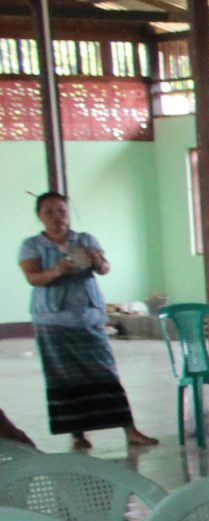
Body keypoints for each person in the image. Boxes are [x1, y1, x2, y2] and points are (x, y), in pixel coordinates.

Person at [19, 192, 153, 452]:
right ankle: (78, 434)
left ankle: (130, 430)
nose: (57, 217)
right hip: (53, 321)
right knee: (64, 378)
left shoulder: (84, 240)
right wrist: (56, 271)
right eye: (49, 212)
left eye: (61, 210)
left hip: (88, 318)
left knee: (106, 373)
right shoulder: (32, 245)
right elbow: (33, 277)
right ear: (39, 216)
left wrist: (98, 261)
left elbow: (105, 268)